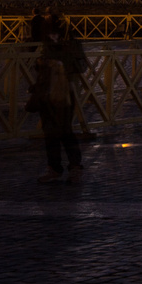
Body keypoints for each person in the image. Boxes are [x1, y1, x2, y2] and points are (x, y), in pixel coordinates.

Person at [30, 34, 85, 183]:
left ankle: (74, 167)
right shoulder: (46, 43)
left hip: (65, 92)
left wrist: (59, 63)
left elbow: (81, 66)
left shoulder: (72, 43)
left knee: (65, 130)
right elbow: (36, 65)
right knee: (49, 131)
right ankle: (54, 168)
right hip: (47, 92)